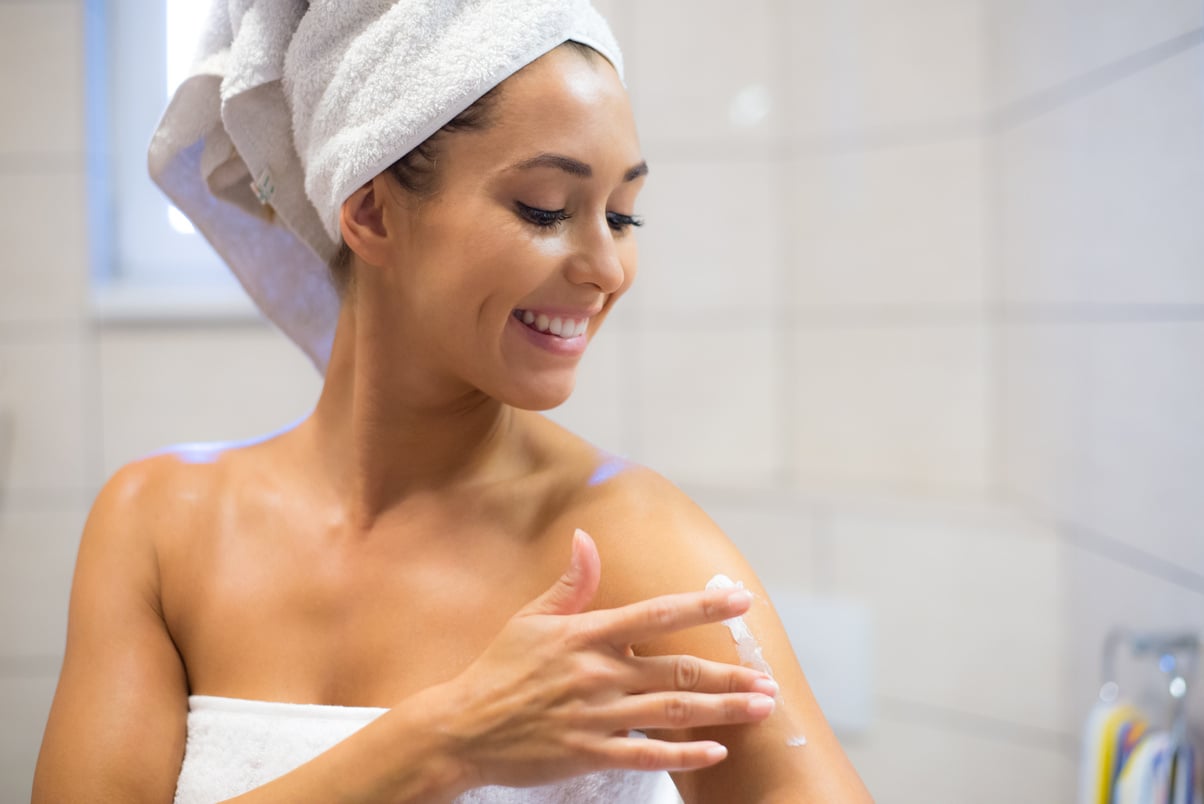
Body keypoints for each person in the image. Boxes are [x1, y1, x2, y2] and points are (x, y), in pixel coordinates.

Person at [33, 2, 873, 802]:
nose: (606, 268)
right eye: (546, 208)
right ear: (370, 213)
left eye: (622, 217)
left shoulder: (634, 548)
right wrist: (441, 744)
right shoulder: (159, 528)